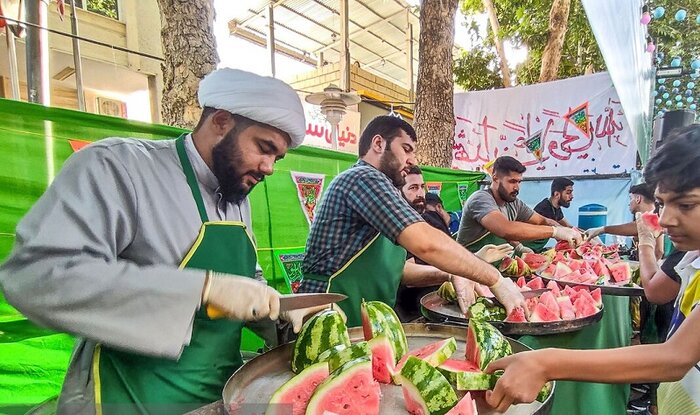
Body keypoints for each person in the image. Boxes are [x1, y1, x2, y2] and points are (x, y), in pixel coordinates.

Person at [0, 68, 316, 414]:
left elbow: (244, 289)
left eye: (277, 158)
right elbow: (36, 276)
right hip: (128, 398)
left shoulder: (237, 197)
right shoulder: (118, 167)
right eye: (264, 148)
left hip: (216, 398)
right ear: (222, 122)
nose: (269, 167)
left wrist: (281, 311)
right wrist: (201, 289)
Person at [485, 124, 700, 415]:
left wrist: (546, 363)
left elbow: (675, 357)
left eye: (686, 205)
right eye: (661, 204)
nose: (664, 220)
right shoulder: (692, 260)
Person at [298, 116, 526, 327]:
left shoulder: (388, 191)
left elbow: (400, 270)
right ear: (378, 144)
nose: (412, 160)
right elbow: (427, 242)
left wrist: (451, 272)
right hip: (331, 312)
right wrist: (495, 278)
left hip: (366, 317)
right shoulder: (362, 178)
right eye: (406, 149)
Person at [456, 156, 582, 256]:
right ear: (495, 178)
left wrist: (567, 232)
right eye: (512, 181)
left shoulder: (514, 203)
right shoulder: (481, 199)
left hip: (499, 271)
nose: (516, 187)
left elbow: (542, 221)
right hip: (468, 273)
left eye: (519, 182)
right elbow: (505, 229)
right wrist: (554, 232)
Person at [585, 184, 665, 259]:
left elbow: (658, 251)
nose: (629, 203)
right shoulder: (653, 216)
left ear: (638, 199)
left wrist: (601, 230)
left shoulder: (654, 216)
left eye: (631, 198)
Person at [523, 177, 575, 252]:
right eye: (568, 192)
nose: (572, 196)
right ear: (557, 194)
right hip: (526, 250)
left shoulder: (555, 208)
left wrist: (587, 234)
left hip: (537, 250)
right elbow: (560, 235)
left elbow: (569, 227)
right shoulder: (544, 209)